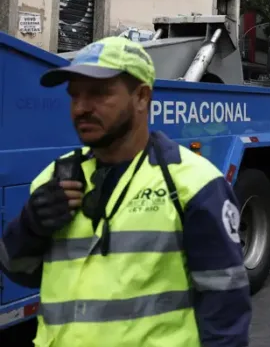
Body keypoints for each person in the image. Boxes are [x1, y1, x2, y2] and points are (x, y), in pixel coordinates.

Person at [0, 37, 251, 346]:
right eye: (74, 95)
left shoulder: (194, 184)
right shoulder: (54, 178)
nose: (81, 108)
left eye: (98, 94)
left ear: (142, 97)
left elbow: (225, 311)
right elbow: (18, 272)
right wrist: (30, 228)